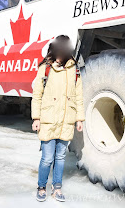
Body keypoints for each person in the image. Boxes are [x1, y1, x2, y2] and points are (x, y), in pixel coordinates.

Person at [31, 35, 85, 202]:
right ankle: (41, 186)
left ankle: (57, 187)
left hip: (66, 121)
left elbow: (78, 96)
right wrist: (36, 118)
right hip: (48, 120)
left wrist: (79, 119)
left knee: (60, 158)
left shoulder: (74, 69)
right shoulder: (45, 68)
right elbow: (37, 95)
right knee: (47, 158)